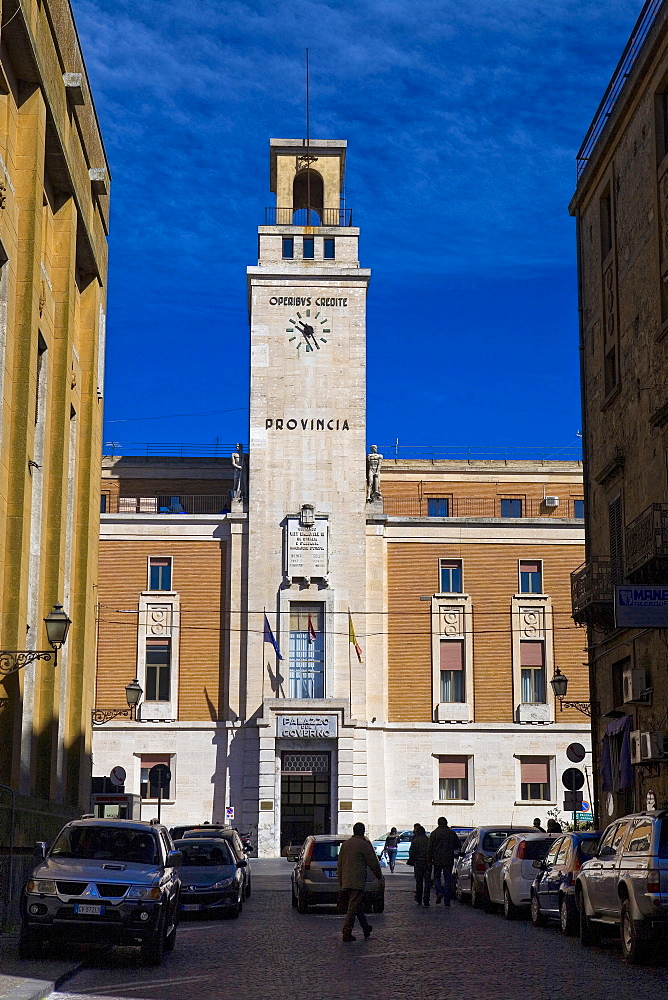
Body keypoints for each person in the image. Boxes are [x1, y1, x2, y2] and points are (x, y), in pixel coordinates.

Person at [337, 822, 383, 942]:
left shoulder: (345, 844)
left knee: (357, 906)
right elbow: (373, 862)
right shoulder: (364, 845)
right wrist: (379, 876)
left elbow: (340, 864)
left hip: (346, 880)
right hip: (357, 881)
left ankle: (366, 927)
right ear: (363, 832)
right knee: (352, 907)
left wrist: (341, 881)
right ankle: (346, 932)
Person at [426, 816, 461, 906]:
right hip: (448, 859)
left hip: (437, 859)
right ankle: (447, 900)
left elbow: (430, 848)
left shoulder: (434, 833)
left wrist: (429, 859)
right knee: (447, 879)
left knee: (436, 877)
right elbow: (457, 845)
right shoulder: (451, 833)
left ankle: (439, 891)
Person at [408, 823, 431, 906]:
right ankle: (426, 899)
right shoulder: (428, 840)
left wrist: (411, 860)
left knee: (419, 881)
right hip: (427, 863)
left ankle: (419, 897)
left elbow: (412, 852)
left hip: (418, 863)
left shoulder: (415, 841)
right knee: (427, 882)